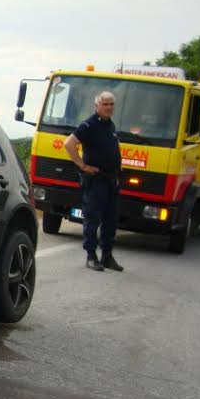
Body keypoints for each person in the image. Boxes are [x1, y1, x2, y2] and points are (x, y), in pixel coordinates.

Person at [64, 92, 124, 272]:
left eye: (111, 104)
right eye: (105, 104)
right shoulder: (89, 125)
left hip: (111, 180)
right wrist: (83, 166)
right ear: (96, 106)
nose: (109, 107)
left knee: (110, 220)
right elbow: (69, 144)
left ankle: (107, 256)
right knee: (92, 219)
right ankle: (91, 256)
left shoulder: (110, 125)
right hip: (96, 180)